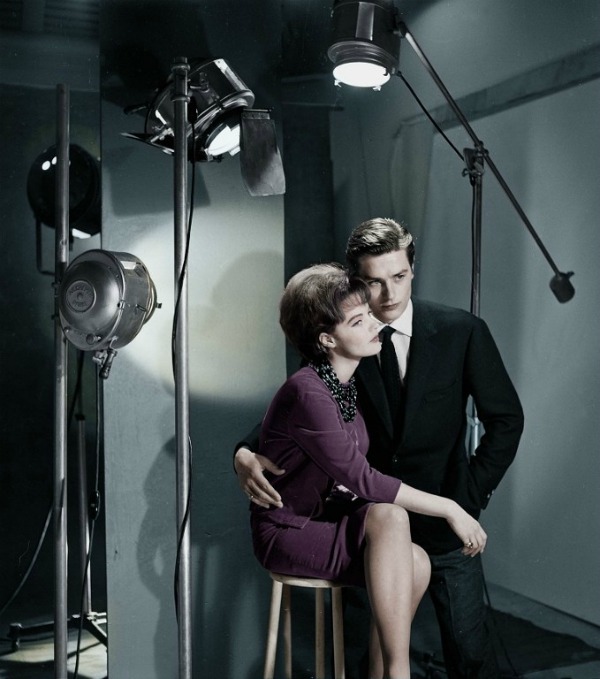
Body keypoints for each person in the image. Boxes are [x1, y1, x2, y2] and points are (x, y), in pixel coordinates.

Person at [235, 219, 524, 678]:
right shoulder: (345, 336)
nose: (388, 296)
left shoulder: (460, 331)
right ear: (357, 280)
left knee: (470, 655)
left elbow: (506, 420)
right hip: (365, 519)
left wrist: (469, 495)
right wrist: (244, 453)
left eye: (399, 277)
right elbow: (296, 414)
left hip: (442, 511)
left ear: (413, 270)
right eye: (374, 282)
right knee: (360, 651)